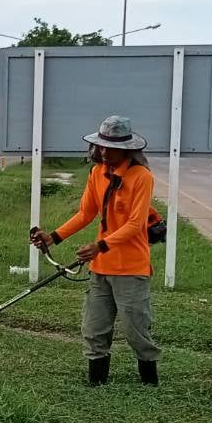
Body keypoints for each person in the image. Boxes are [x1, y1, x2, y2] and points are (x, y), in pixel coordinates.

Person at [30, 115, 161, 386]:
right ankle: (96, 383)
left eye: (110, 148)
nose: (103, 152)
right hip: (101, 268)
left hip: (131, 268)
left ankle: (150, 382)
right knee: (94, 327)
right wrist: (54, 237)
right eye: (100, 146)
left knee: (136, 330)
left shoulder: (141, 177)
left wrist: (100, 246)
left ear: (126, 150)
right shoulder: (96, 174)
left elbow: (136, 224)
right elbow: (85, 214)